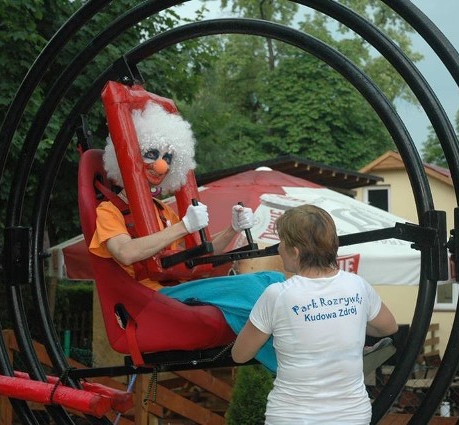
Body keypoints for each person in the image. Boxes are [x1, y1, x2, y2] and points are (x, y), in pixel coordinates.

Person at [89, 101, 284, 370]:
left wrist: (232, 229)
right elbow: (125, 252)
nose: (161, 166)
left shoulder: (160, 211)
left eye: (168, 158)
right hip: (149, 301)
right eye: (152, 154)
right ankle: (300, 356)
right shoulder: (109, 211)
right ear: (130, 155)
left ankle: (291, 355)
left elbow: (197, 255)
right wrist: (182, 227)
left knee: (273, 280)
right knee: (252, 289)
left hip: (178, 289)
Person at [232, 204, 398, 424]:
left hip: (293, 417)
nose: (278, 249)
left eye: (281, 241)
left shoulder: (278, 295)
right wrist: (347, 319)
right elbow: (388, 327)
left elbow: (240, 354)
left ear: (295, 251)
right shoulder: (357, 286)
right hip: (352, 416)